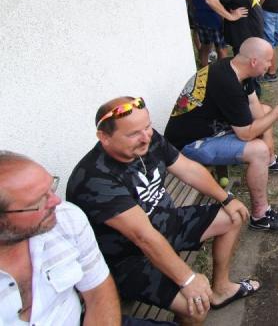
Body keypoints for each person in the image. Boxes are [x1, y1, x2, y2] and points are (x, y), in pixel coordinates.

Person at [68, 96, 261, 324]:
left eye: (147, 126)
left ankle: (221, 289)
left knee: (233, 216)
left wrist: (226, 199)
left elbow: (187, 169)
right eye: (133, 134)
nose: (145, 137)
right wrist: (188, 280)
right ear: (104, 137)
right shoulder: (94, 178)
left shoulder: (149, 140)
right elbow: (143, 236)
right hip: (129, 259)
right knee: (196, 308)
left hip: (166, 222)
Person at [164, 37, 278, 231]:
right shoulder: (226, 82)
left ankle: (270, 161)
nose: (271, 64)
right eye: (269, 60)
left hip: (210, 128)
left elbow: (255, 107)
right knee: (258, 150)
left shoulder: (237, 68)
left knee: (265, 111)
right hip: (189, 145)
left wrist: (269, 139)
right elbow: (246, 134)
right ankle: (261, 216)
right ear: (254, 61)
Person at [0, 152, 120, 325]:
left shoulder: (66, 218)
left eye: (51, 187)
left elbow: (97, 290)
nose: (56, 201)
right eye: (38, 201)